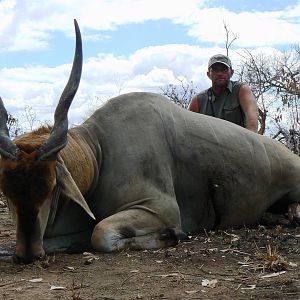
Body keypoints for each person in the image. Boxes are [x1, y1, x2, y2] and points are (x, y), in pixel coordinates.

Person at [188, 54, 258, 133]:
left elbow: (252, 112)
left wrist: (251, 137)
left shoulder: (241, 90)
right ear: (208, 74)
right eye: (215, 70)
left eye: (224, 70)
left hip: (238, 143)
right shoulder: (198, 100)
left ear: (231, 72)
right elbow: (188, 128)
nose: (219, 74)